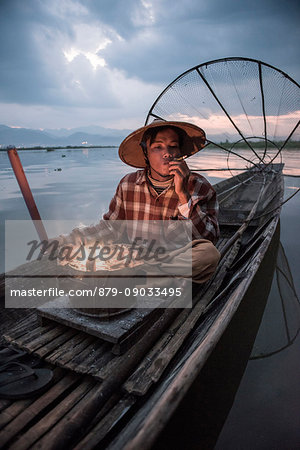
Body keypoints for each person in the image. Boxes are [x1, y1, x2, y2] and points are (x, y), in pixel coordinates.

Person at [59, 120, 220, 284]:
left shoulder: (199, 186)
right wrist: (66, 240)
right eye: (158, 147)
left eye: (173, 146)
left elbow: (209, 238)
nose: (167, 153)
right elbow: (110, 228)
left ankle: (140, 276)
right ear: (146, 154)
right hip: (136, 258)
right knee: (86, 251)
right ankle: (154, 278)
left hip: (174, 258)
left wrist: (183, 195)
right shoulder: (127, 184)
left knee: (208, 254)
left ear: (180, 152)